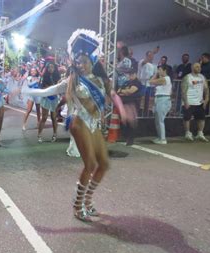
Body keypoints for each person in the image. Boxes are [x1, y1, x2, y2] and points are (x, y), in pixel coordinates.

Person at [23, 29, 115, 222]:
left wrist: (122, 108)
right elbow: (50, 89)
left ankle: (88, 202)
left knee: (104, 164)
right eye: (78, 62)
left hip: (93, 124)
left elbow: (109, 99)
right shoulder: (73, 80)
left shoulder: (100, 80)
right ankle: (76, 205)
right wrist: (29, 91)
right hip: (78, 122)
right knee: (90, 164)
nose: (81, 65)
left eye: (84, 61)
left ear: (92, 61)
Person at [182, 63, 210, 141]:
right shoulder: (187, 77)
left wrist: (206, 99)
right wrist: (185, 102)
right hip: (189, 101)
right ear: (192, 68)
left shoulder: (202, 77)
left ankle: (200, 133)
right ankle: (187, 133)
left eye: (200, 67)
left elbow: (206, 89)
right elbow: (183, 90)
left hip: (199, 102)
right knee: (187, 118)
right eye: (197, 67)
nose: (199, 68)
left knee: (201, 118)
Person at [117, 69, 143, 146]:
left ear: (135, 74)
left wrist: (124, 91)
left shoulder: (137, 83)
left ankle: (131, 138)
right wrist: (124, 91)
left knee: (131, 121)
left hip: (132, 104)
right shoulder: (127, 82)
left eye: (131, 74)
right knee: (124, 120)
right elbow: (118, 91)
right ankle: (126, 136)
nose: (130, 76)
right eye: (129, 74)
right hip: (124, 104)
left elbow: (130, 91)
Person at [38, 62, 61, 143]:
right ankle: (39, 135)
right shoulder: (44, 77)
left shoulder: (58, 77)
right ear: (47, 69)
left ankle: (55, 134)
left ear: (55, 68)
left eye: (52, 67)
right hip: (46, 98)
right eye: (49, 67)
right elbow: (43, 88)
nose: (50, 68)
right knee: (44, 117)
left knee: (54, 117)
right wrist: (52, 88)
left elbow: (59, 88)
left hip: (54, 99)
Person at [149, 66, 173, 145]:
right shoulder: (164, 79)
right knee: (157, 120)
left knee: (160, 120)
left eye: (159, 70)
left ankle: (163, 139)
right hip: (159, 99)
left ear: (164, 70)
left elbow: (151, 81)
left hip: (163, 99)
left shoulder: (165, 78)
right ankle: (159, 137)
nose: (158, 71)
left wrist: (156, 74)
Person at [138, 50, 157, 116]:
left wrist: (152, 80)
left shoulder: (154, 65)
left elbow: (155, 74)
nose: (151, 57)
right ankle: (140, 113)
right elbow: (144, 62)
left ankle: (147, 114)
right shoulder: (142, 61)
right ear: (146, 56)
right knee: (142, 100)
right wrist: (153, 52)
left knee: (149, 101)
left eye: (152, 56)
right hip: (143, 84)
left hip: (150, 85)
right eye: (149, 56)